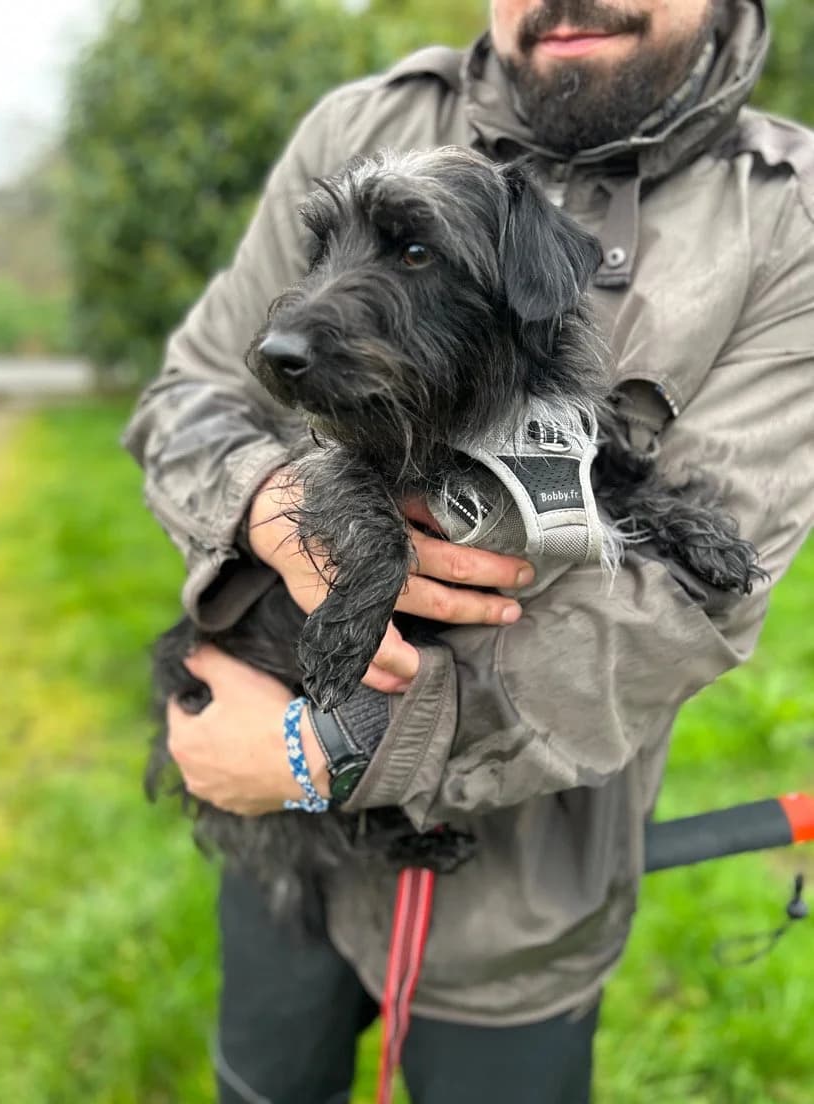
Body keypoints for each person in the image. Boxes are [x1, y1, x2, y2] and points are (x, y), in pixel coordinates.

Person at [123, 1, 814, 1101]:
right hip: (267, 819)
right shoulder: (364, 121)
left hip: (523, 898)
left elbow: (681, 611)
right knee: (262, 1079)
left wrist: (323, 754)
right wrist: (267, 502)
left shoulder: (786, 214)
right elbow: (196, 393)